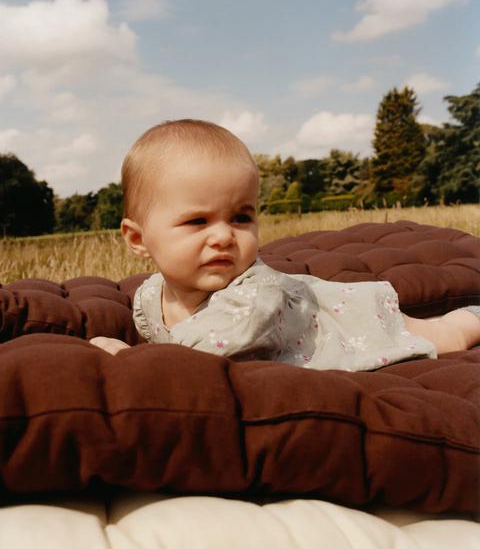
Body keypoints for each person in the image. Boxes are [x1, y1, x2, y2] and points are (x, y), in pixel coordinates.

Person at [90, 119, 480, 370]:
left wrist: (130, 360)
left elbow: (195, 362)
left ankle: (471, 316)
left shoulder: (254, 298)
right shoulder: (148, 298)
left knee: (446, 335)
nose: (224, 236)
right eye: (198, 221)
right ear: (138, 239)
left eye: (242, 217)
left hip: (353, 325)